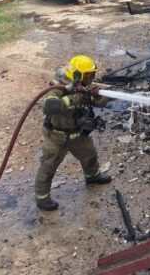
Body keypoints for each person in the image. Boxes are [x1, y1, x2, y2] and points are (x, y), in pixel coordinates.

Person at [34, 55, 112, 211]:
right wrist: (71, 100)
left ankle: (92, 176)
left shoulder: (85, 85)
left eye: (92, 75)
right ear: (76, 74)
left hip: (77, 134)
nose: (90, 78)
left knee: (89, 154)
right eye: (87, 75)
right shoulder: (58, 87)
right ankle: (42, 198)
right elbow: (48, 107)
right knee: (48, 166)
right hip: (57, 136)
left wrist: (97, 96)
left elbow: (102, 103)